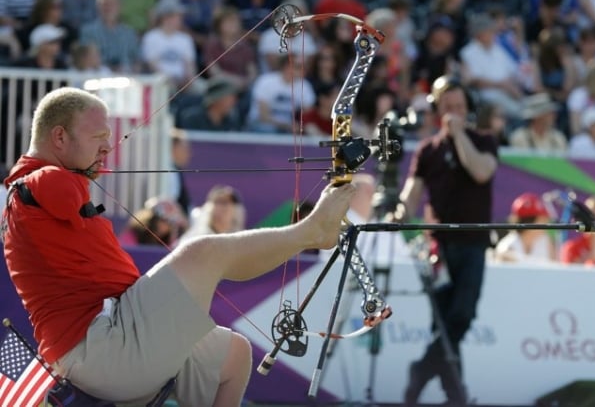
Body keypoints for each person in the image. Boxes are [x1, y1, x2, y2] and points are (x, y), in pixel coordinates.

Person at [0, 86, 355, 405]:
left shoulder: (36, 189)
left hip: (113, 338)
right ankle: (312, 232)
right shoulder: (43, 179)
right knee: (203, 253)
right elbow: (56, 188)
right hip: (98, 347)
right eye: (99, 137)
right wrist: (79, 174)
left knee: (233, 355)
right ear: (59, 137)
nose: (108, 147)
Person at [393, 76, 498, 405]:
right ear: (438, 110)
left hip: (474, 242)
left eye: (460, 107)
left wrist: (459, 135)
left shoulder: (484, 140)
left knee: (462, 315)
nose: (454, 113)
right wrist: (398, 211)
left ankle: (422, 371)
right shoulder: (428, 150)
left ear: (469, 109)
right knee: (444, 320)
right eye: (448, 107)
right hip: (439, 246)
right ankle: (456, 395)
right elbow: (411, 193)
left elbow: (482, 171)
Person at [494, 192, 557, 263]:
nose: (546, 222)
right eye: (542, 219)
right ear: (529, 222)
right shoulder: (507, 246)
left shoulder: (546, 242)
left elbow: (555, 266)